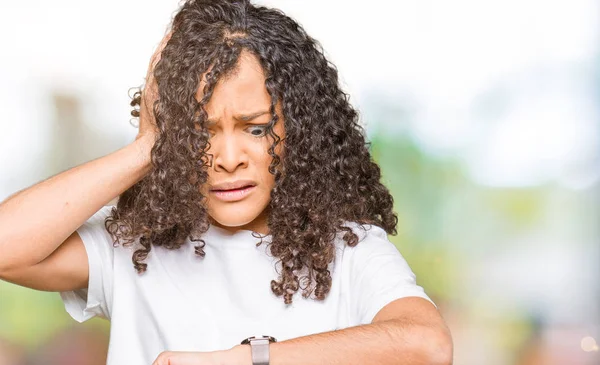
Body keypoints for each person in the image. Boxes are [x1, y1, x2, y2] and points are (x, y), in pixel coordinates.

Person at [0, 0, 453, 364]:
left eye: (255, 129)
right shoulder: (133, 248)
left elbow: (428, 346)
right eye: (200, 133)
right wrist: (147, 148)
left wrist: (242, 359)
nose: (228, 159)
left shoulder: (349, 253)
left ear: (296, 129)